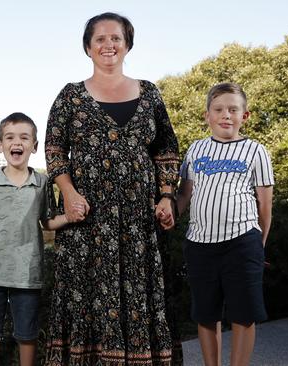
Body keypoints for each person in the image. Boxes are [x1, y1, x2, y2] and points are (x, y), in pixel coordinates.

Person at [43, 12, 180, 365]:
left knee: (141, 299)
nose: (108, 44)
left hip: (139, 224)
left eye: (116, 38)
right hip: (87, 222)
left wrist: (166, 196)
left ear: (127, 44)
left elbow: (166, 149)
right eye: (100, 39)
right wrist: (69, 193)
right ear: (88, 47)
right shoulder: (70, 96)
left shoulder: (150, 93)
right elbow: (55, 151)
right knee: (85, 299)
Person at [0, 112, 81, 366]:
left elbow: (47, 222)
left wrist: (70, 217)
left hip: (27, 273)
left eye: (24, 137)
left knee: (27, 334)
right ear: (0, 145)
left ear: (34, 146)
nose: (16, 142)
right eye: (9, 137)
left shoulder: (42, 184)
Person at [176, 82, 274, 366]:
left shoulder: (256, 151)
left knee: (244, 315)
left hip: (242, 242)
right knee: (206, 315)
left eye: (233, 109)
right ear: (207, 115)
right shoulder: (195, 150)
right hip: (200, 243)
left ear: (245, 116)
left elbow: (265, 207)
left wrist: (258, 246)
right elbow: (185, 195)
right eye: (219, 109)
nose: (226, 115)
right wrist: (169, 214)